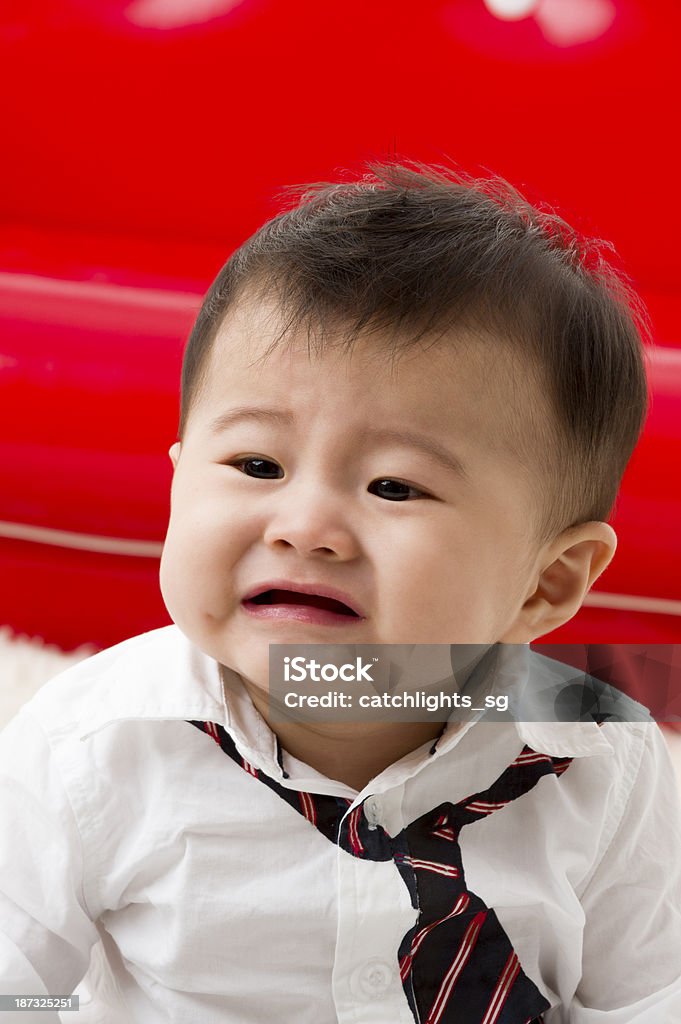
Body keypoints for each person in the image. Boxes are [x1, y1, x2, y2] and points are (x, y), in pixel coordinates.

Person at [1, 160, 680, 1023]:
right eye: (256, 465)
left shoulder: (601, 758)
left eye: (394, 487)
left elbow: (642, 1000)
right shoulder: (86, 749)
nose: (304, 525)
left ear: (545, 583)